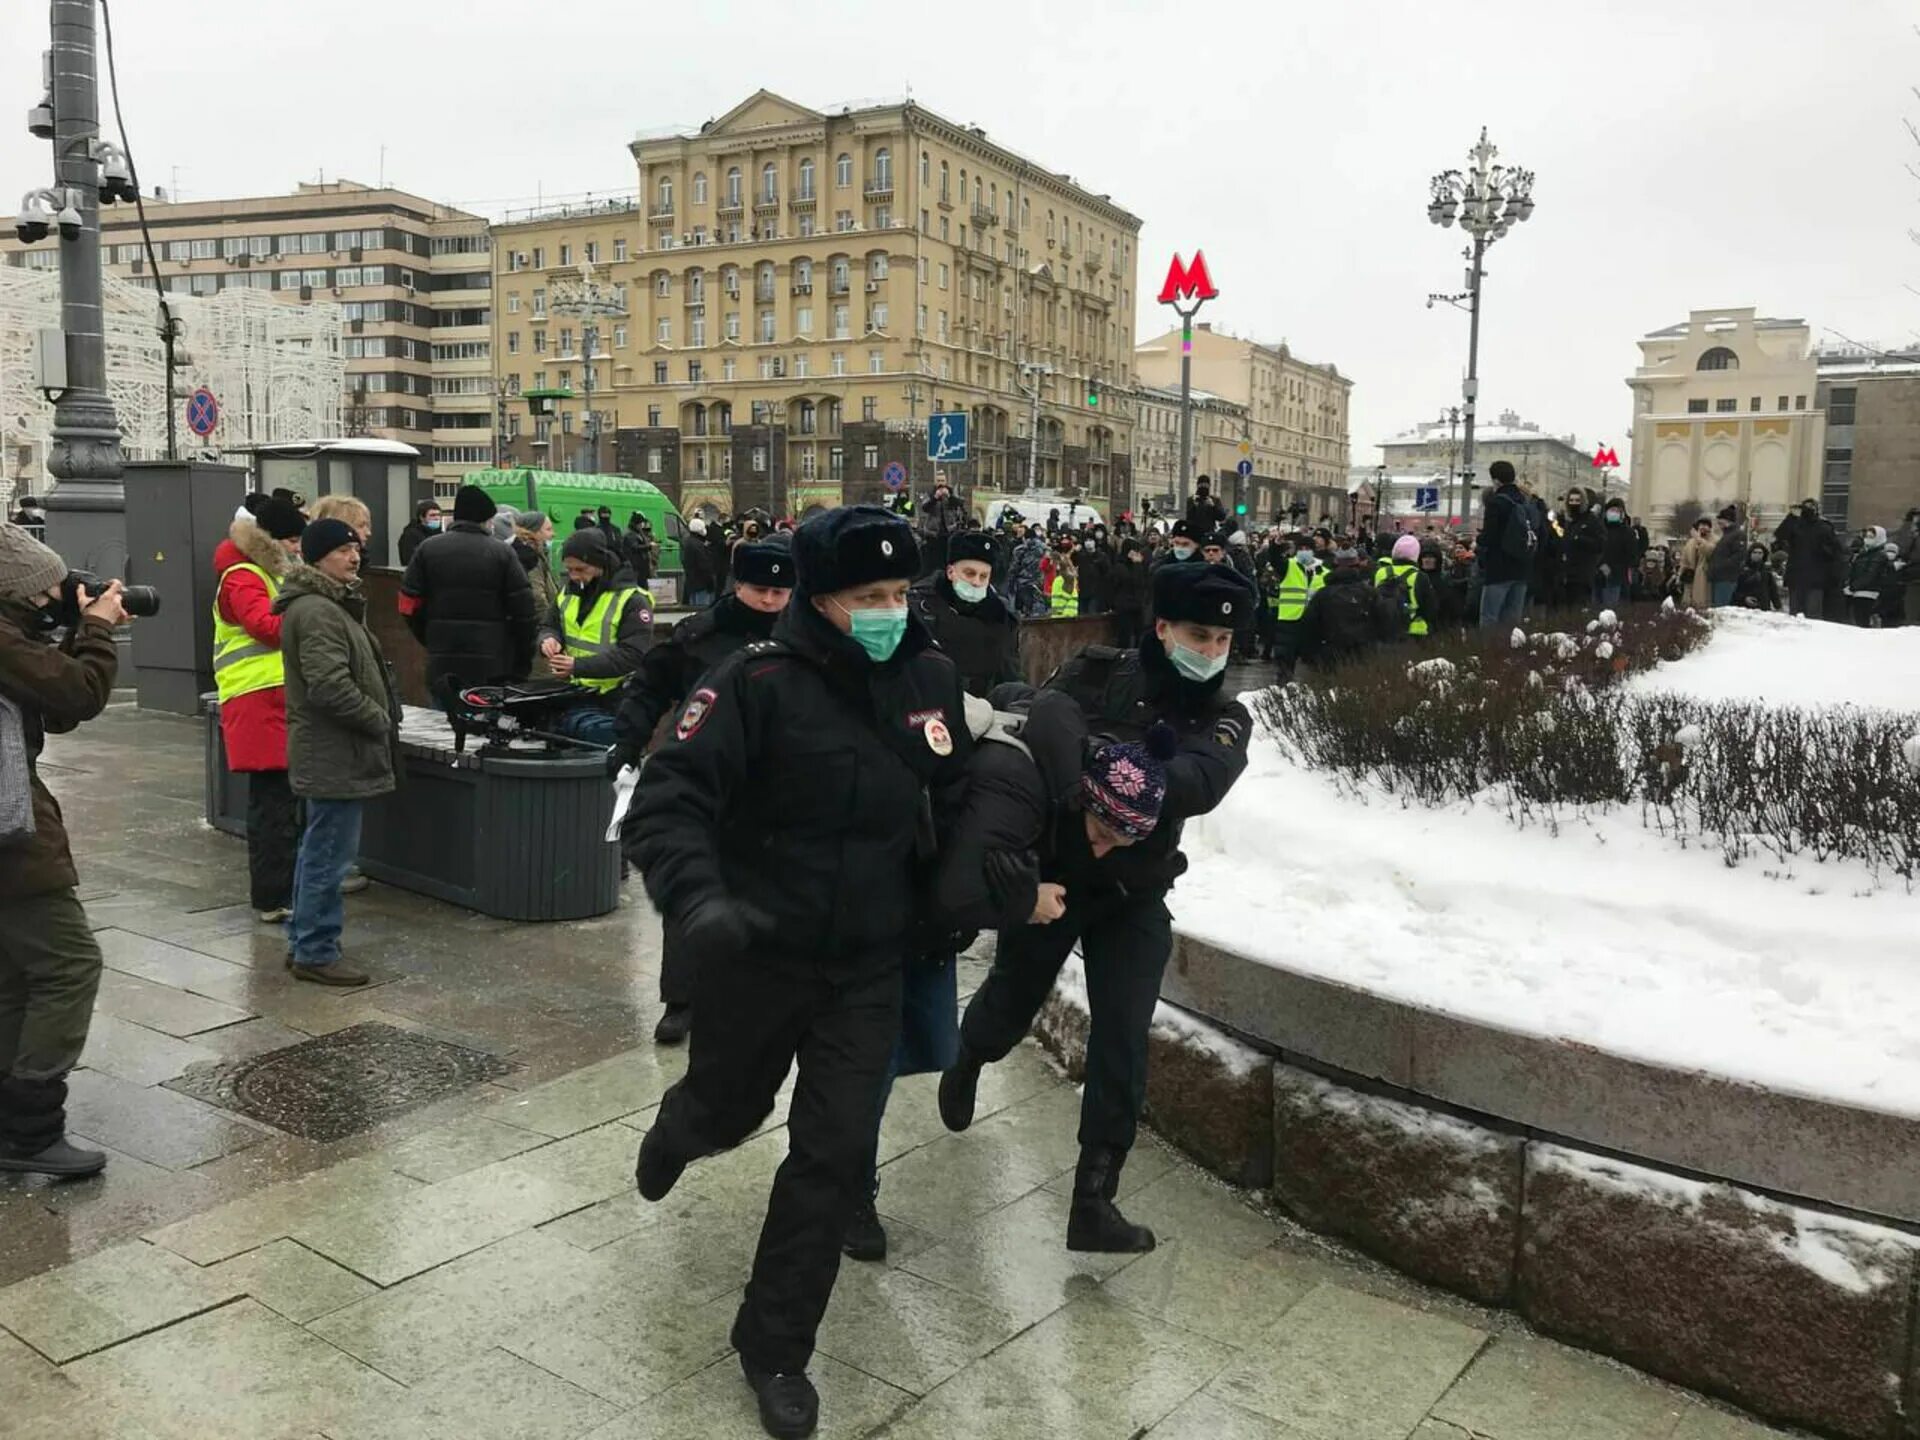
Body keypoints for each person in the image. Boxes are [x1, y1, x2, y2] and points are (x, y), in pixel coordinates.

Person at [625, 506, 970, 1440]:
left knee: (832, 1156)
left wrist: (1000, 863)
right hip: (758, 957)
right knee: (729, 1111)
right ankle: (680, 1127)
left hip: (868, 967)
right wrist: (700, 904)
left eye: (903, 593)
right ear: (820, 600)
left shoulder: (930, 678)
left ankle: (774, 1348)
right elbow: (666, 804)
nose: (893, 611)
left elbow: (964, 791)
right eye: (871, 597)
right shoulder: (754, 683)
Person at [938, 560, 1255, 1253]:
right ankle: (970, 1055)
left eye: (1222, 643)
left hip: (1134, 893)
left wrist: (1102, 759)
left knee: (1123, 1037)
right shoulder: (1096, 670)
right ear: (1164, 626)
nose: (1209, 652)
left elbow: (1198, 782)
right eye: (1197, 635)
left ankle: (1094, 1199)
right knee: (1011, 1001)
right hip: (1056, 882)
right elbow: (1032, 714)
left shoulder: (1226, 716)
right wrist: (1069, 740)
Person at [610, 537, 794, 1046]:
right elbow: (650, 685)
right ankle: (682, 998)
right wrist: (627, 740)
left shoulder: (806, 636)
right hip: (707, 780)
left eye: (782, 592)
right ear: (739, 585)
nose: (772, 602)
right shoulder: (701, 636)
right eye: (762, 591)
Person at [0, 524, 124, 1177]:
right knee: (71, 964)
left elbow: (54, 707)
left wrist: (76, 636)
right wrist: (99, 628)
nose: (55, 591)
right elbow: (78, 694)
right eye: (44, 583)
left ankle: (10, 1124)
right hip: (11, 837)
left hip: (10, 831)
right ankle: (31, 1130)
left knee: (16, 973)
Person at [275, 520, 396, 987]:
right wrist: (376, 717)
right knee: (328, 855)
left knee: (317, 850)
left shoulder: (328, 605)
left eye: (357, 548)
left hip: (332, 750)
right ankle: (316, 950)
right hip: (334, 751)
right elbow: (329, 685)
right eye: (344, 549)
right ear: (318, 556)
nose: (354, 557)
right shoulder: (319, 611)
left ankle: (303, 940)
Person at [211, 495, 308, 924]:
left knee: (280, 803)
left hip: (273, 698)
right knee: (272, 807)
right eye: (291, 540)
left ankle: (280, 892)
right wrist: (312, 614)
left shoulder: (261, 572)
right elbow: (267, 628)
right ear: (269, 540)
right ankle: (273, 897)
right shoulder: (243, 576)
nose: (297, 548)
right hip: (257, 699)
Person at [399, 485, 536, 706]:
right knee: (486, 733)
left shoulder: (427, 549)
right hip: (492, 667)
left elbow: (408, 605)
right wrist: (520, 662)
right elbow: (524, 614)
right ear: (485, 520)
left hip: (442, 663)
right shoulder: (502, 553)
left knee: (443, 731)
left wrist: (430, 637)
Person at [536, 530, 654, 744]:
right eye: (569, 569)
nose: (574, 576)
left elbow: (633, 654)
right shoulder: (568, 592)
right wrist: (548, 639)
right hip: (576, 693)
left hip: (616, 699)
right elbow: (549, 624)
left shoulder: (632, 600)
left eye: (581, 569)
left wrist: (577, 665)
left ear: (603, 563)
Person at [908, 532, 1020, 697]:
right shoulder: (922, 606)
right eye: (969, 573)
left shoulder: (1000, 615)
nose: (976, 582)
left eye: (983, 576)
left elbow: (1010, 672)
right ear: (950, 572)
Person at [1297, 548, 1396, 672]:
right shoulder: (1370, 593)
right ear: (1357, 567)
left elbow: (1308, 626)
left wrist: (1310, 656)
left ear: (1335, 566)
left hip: (1330, 657)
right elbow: (1385, 622)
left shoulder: (1323, 595)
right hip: (1364, 656)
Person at [1476, 461, 1535, 629]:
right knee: (1512, 620)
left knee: (1490, 617)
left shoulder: (1497, 502)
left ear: (1495, 481)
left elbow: (1489, 536)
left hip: (1499, 569)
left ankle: (1489, 653)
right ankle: (1509, 652)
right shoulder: (1524, 502)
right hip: (1522, 568)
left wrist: (1478, 542)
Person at [1265, 536, 1325, 676]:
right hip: (1289, 620)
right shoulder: (1289, 566)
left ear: (1313, 551)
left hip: (1312, 622)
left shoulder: (1323, 570)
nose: (1304, 552)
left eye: (1307, 549)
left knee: (1312, 664)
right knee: (1285, 662)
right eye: (1301, 549)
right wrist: (1275, 545)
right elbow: (1275, 559)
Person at [1774, 499, 1842, 619]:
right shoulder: (1795, 524)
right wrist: (1791, 517)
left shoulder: (1823, 527)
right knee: (1794, 614)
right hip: (1796, 575)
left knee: (1813, 614)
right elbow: (1780, 535)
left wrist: (1824, 552)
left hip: (1816, 577)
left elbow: (1835, 550)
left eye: (1811, 507)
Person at [1373, 534, 1434, 639]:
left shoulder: (1380, 572)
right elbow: (1428, 607)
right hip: (1414, 630)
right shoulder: (1420, 576)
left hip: (1384, 627)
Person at [1842, 527, 1900, 627]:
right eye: (1867, 536)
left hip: (1869, 593)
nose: (1868, 539)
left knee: (1863, 623)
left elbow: (1871, 575)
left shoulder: (1879, 555)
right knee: (1858, 622)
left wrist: (1853, 587)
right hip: (1858, 592)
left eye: (1871, 537)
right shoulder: (1864, 554)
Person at [1558, 488, 1604, 609]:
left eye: (1577, 500)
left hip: (1583, 573)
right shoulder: (1570, 522)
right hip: (1568, 573)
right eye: (1571, 500)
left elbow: (1600, 544)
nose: (1574, 503)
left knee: (1579, 607)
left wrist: (1580, 539)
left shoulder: (1592, 520)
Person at [917, 475, 968, 574]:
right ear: (935, 482)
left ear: (946, 481)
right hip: (933, 533)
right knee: (932, 561)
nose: (941, 483)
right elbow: (925, 507)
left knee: (947, 559)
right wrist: (935, 497)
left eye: (942, 480)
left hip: (949, 531)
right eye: (938, 480)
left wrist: (949, 496)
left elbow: (959, 503)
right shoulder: (930, 493)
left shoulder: (951, 491)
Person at [1108, 537, 1152, 650]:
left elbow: (1143, 583)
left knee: (1139, 635)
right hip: (1125, 606)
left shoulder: (1139, 566)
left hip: (1137, 606)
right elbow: (1132, 581)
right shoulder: (1120, 566)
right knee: (1125, 637)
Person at [1597, 498, 1636, 609]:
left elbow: (1632, 556)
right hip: (1598, 576)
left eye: (1617, 511)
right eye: (1611, 510)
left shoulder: (1628, 532)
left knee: (1611, 610)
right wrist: (1601, 564)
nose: (1614, 513)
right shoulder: (1599, 529)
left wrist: (1614, 568)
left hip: (1617, 578)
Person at [1706, 505, 1746, 608]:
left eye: (1720, 521)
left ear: (1727, 520)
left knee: (1721, 607)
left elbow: (1738, 555)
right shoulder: (1727, 535)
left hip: (1726, 577)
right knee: (1717, 607)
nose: (1718, 524)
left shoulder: (1737, 535)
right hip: (1719, 577)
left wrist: (1720, 566)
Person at [1674, 517, 1714, 610]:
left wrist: (1699, 539)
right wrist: (1679, 575)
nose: (1703, 528)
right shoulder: (1691, 542)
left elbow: (1710, 551)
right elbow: (1684, 560)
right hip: (1690, 576)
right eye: (1701, 526)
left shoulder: (1714, 540)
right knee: (1687, 603)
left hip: (1704, 577)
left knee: (1701, 602)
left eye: (1705, 525)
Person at [1731, 542, 1783, 611]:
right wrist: (1744, 598)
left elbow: (1773, 590)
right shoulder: (1742, 570)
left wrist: (1778, 606)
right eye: (1754, 552)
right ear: (1750, 554)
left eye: (1760, 553)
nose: (1757, 555)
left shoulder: (1766, 571)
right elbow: (1735, 590)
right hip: (1744, 609)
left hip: (1763, 608)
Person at [683, 517, 718, 608]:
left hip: (691, 582)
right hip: (701, 583)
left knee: (692, 610)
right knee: (702, 609)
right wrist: (710, 582)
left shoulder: (688, 542)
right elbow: (704, 565)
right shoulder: (699, 545)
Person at [397, 500, 442, 565]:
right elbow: (409, 560)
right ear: (422, 517)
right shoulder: (410, 535)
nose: (437, 518)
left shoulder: (441, 534)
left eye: (438, 515)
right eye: (432, 515)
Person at [622, 512, 656, 592]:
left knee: (643, 588)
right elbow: (635, 547)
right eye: (641, 523)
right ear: (637, 524)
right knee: (639, 589)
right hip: (636, 568)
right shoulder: (631, 535)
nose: (643, 525)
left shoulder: (638, 533)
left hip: (641, 568)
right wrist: (649, 546)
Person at [1047, 542, 1080, 618]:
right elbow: (1058, 599)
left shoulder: (1069, 579)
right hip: (1057, 619)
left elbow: (1066, 573)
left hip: (1068, 618)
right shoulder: (1057, 581)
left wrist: (1061, 562)